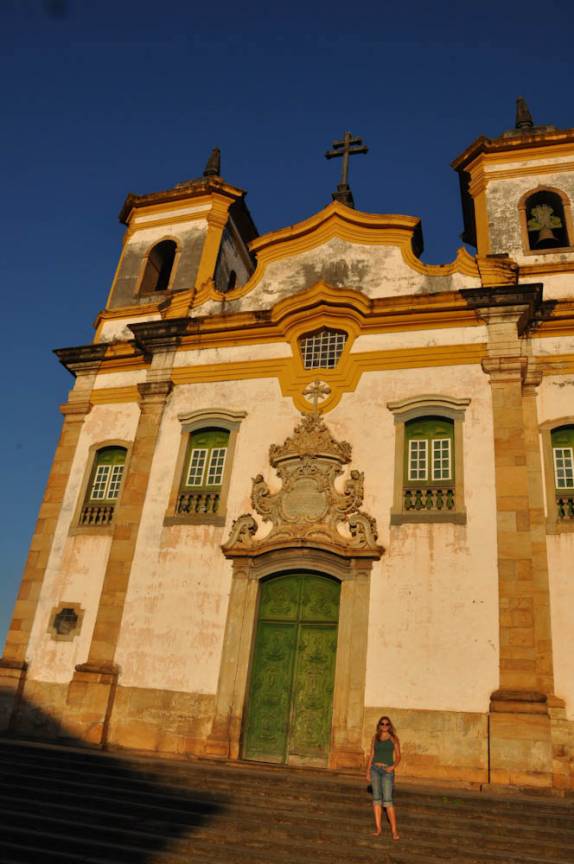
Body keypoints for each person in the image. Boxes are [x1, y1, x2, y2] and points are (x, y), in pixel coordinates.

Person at [365, 715, 401, 840]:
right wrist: (367, 771)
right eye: (382, 724)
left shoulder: (393, 738)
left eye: (387, 724)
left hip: (387, 771)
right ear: (379, 725)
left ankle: (394, 831)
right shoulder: (375, 738)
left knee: (388, 800)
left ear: (390, 726)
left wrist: (393, 766)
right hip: (375, 769)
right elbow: (372, 754)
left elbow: (398, 756)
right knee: (376, 800)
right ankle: (378, 829)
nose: (384, 726)